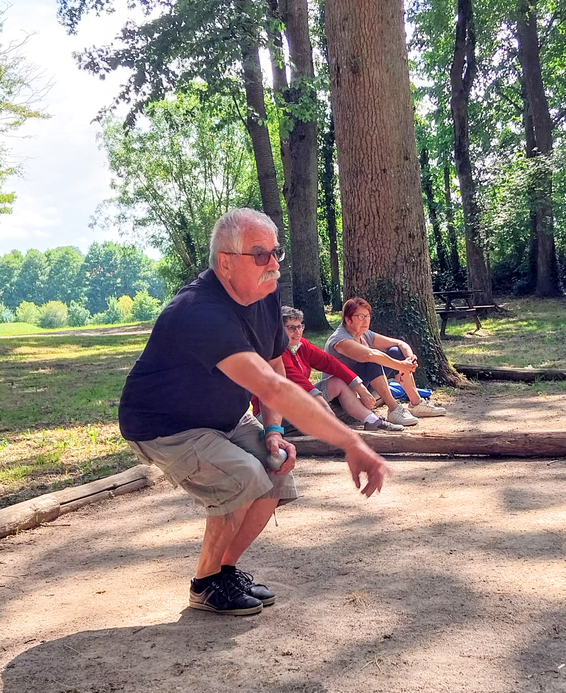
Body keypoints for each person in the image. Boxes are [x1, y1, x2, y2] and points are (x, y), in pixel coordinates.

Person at [119, 209, 390, 617]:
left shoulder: (265, 293)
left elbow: (277, 364)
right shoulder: (198, 312)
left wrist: (274, 430)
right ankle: (205, 584)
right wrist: (351, 440)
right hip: (166, 426)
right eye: (260, 254)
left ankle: (224, 572)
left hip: (224, 416)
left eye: (276, 252)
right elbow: (271, 385)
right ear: (225, 262)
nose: (274, 263)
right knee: (243, 477)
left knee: (277, 469)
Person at [253, 306, 404, 432]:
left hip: (300, 401)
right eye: (291, 328)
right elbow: (298, 383)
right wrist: (328, 414)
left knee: (337, 382)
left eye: (300, 326)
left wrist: (360, 388)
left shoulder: (302, 345)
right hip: (271, 415)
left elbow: (330, 363)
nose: (298, 332)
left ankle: (372, 420)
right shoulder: (275, 351)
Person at [324, 297, 447, 428]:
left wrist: (410, 360)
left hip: (362, 385)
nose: (366, 320)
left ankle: (416, 403)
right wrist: (401, 366)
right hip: (341, 392)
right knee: (373, 359)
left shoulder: (364, 334)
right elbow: (368, 355)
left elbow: (400, 343)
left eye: (368, 316)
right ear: (348, 320)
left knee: (396, 351)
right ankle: (394, 409)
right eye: (361, 316)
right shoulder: (340, 340)